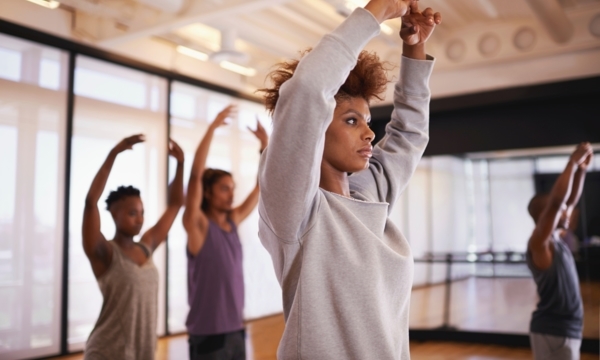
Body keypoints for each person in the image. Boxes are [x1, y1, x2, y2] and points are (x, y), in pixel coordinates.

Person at [256, 0, 441, 358]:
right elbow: (308, 90)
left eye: (367, 121)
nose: (370, 134)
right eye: (352, 121)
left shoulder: (369, 194)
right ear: (315, 129)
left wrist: (414, 46)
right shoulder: (295, 212)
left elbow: (410, 135)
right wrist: (374, 13)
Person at [82, 135, 185, 360]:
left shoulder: (147, 246)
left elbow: (176, 204)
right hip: (107, 352)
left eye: (141, 213)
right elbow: (91, 202)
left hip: (143, 353)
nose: (139, 219)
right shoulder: (104, 252)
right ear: (113, 214)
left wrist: (180, 164)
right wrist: (114, 153)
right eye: (131, 213)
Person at [182, 105, 268, 360]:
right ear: (207, 192)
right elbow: (196, 176)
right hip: (208, 335)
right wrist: (211, 129)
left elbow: (260, 186)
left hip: (235, 329)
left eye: (232, 188)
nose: (231, 194)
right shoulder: (197, 225)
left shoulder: (232, 222)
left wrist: (264, 146)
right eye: (224, 188)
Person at [526, 142, 593, 360]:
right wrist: (572, 163)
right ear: (547, 217)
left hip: (565, 330)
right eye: (560, 210)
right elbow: (558, 202)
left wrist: (582, 170)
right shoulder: (539, 243)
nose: (567, 212)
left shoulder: (557, 238)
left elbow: (568, 201)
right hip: (553, 332)